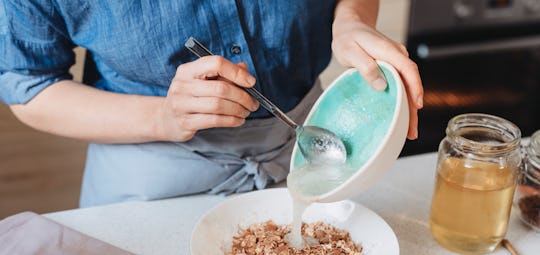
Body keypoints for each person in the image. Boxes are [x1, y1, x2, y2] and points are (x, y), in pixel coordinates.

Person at [0, 0, 423, 207]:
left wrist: (352, 20)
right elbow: (28, 84)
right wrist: (163, 117)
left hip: (305, 148)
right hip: (151, 174)